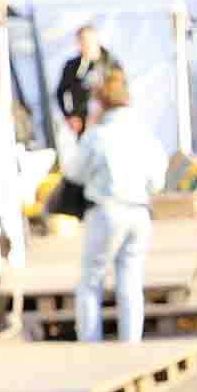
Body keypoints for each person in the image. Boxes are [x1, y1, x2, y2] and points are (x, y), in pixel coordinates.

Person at [60, 68, 168, 343]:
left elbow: (74, 171)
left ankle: (91, 343)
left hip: (107, 209)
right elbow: (157, 180)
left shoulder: (98, 135)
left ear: (101, 102)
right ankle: (131, 343)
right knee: (131, 281)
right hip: (140, 210)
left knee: (90, 281)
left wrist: (75, 135)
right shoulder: (144, 133)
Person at [55, 23, 120, 137]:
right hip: (83, 122)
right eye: (81, 41)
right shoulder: (72, 66)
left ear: (95, 40)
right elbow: (61, 92)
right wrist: (70, 116)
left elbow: (121, 92)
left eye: (87, 41)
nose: (85, 45)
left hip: (108, 120)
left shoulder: (110, 63)